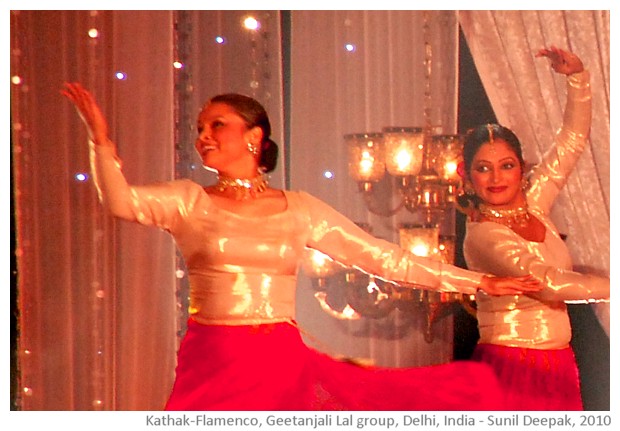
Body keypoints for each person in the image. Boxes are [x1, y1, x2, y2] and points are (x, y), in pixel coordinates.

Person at [62, 83, 541, 411]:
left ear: (254, 137)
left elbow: (383, 257)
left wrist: (478, 280)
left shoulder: (299, 208)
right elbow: (122, 202)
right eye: (200, 129)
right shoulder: (188, 200)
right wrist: (100, 142)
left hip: (279, 362)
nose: (203, 137)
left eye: (217, 126)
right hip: (211, 359)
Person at [458, 46, 610, 410]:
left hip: (558, 363)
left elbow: (571, 142)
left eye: (506, 165)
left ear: (521, 168)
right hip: (511, 366)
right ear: (468, 178)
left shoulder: (534, 203)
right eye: (483, 168)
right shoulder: (483, 236)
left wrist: (578, 79)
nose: (496, 178)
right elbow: (550, 283)